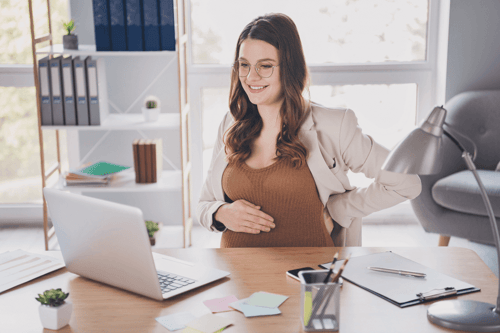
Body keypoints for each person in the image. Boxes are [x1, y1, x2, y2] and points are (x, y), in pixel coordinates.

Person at [197, 13, 421, 248]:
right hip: (235, 277)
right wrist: (221, 213)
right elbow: (204, 204)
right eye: (244, 65)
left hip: (306, 278)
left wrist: (339, 208)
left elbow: (406, 183)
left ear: (290, 68)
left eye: (265, 66)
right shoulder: (231, 123)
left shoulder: (334, 125)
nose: (251, 77)